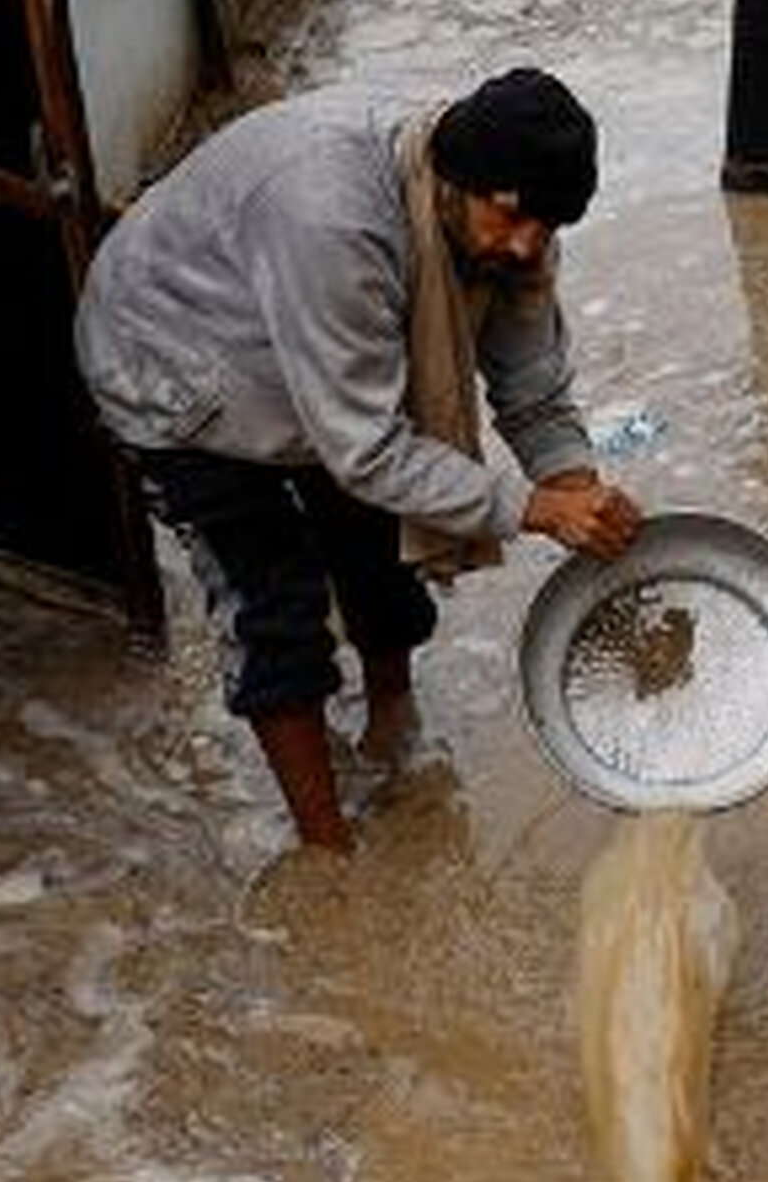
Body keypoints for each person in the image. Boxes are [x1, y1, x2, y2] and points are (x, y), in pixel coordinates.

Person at [75, 66, 643, 853]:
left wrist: (582, 496)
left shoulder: (512, 219)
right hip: (174, 362)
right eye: (512, 219)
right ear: (452, 178)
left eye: (547, 229)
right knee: (273, 606)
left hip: (312, 348)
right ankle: (328, 849)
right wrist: (532, 508)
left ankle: (392, 724)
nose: (526, 246)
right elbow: (368, 450)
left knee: (379, 550)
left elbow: (533, 389)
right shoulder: (334, 217)